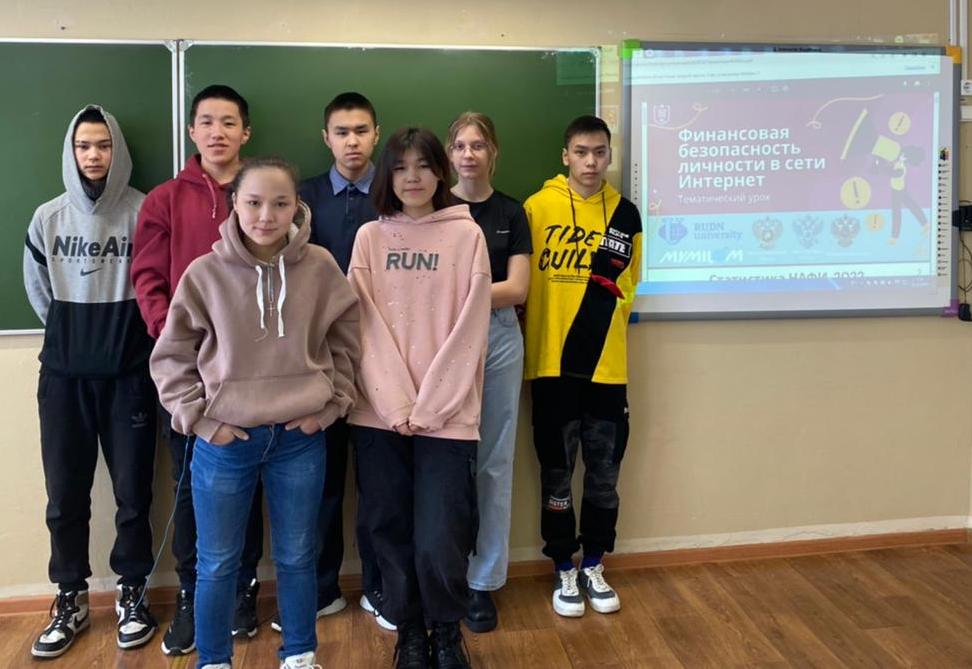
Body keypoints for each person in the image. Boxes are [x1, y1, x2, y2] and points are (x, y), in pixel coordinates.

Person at [150, 157, 360, 669]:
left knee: (297, 557)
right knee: (217, 562)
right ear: (234, 205)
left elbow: (347, 340)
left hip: (300, 440)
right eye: (254, 202)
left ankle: (299, 654)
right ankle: (214, 660)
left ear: (297, 207)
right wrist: (202, 421)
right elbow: (171, 357)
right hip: (225, 443)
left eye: (280, 204)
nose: (266, 215)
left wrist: (329, 407)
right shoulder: (205, 273)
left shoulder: (320, 267)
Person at [132, 84, 267, 654]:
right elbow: (147, 278)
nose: (217, 132)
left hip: (254, 369)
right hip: (188, 371)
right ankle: (192, 594)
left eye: (228, 122)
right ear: (192, 131)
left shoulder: (262, 196)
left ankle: (242, 590)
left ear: (245, 133)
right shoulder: (164, 199)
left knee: (250, 476)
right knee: (191, 485)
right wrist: (175, 339)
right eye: (207, 122)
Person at [349, 127, 490, 669]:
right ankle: (408, 633)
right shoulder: (369, 238)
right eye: (401, 167)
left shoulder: (466, 236)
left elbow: (471, 327)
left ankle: (446, 632)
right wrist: (396, 405)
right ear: (387, 175)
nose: (413, 177)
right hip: (378, 414)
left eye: (424, 165)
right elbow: (363, 326)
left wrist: (429, 406)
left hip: (448, 416)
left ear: (441, 172)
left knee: (441, 534)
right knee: (389, 530)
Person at [24, 105, 158, 658]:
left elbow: (154, 286)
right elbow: (39, 293)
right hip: (64, 378)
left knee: (133, 495)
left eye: (103, 145)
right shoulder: (47, 218)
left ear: (117, 150)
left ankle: (133, 592)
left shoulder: (144, 211)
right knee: (65, 496)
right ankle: (71, 596)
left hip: (129, 378)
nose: (94, 155)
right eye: (84, 146)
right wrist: (75, 337)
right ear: (71, 151)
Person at [522, 115, 642, 618]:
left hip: (606, 370)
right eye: (581, 152)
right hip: (550, 365)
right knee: (556, 474)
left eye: (599, 152)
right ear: (565, 156)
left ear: (609, 156)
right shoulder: (536, 207)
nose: (591, 162)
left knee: (604, 474)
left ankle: (594, 561)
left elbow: (628, 289)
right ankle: (562, 566)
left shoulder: (626, 216)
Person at [288, 91, 392, 632]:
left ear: (377, 134)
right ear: (325, 137)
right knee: (321, 485)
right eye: (342, 132)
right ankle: (322, 589)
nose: (352, 142)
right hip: (319, 364)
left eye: (361, 131)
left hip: (384, 360)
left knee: (378, 485)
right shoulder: (300, 199)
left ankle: (379, 587)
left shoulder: (396, 193)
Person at [446, 112, 530, 633]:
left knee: (494, 462)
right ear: (449, 154)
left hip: (499, 337)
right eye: (460, 145)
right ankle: (446, 572)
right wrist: (467, 294)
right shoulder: (435, 208)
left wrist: (461, 293)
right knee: (447, 461)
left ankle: (483, 581)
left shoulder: (511, 212)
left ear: (493, 151)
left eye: (478, 145)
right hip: (443, 337)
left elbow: (517, 289)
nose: (469, 154)